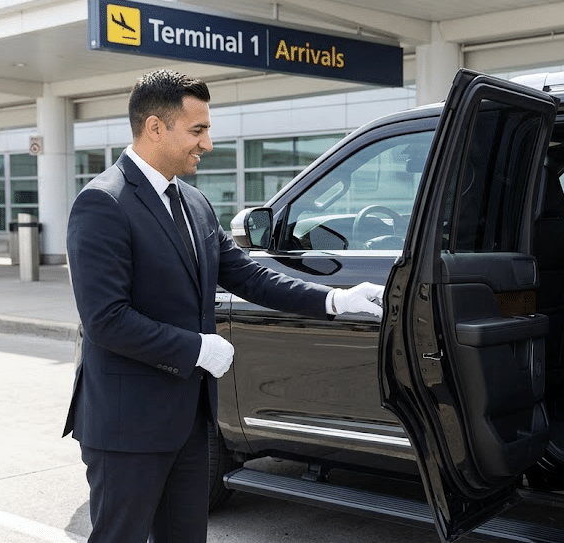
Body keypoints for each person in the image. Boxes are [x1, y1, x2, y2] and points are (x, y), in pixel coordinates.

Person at [63, 69, 384, 543]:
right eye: (198, 130)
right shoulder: (102, 203)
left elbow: (248, 275)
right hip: (126, 426)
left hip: (190, 422)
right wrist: (197, 349)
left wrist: (334, 299)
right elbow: (106, 320)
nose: (207, 143)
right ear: (155, 127)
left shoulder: (194, 202)